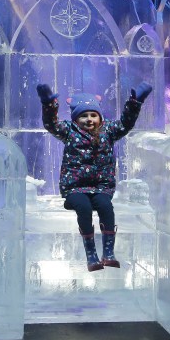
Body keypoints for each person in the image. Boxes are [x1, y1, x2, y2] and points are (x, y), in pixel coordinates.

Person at [36, 81, 152, 271]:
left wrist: (135, 102)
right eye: (83, 116)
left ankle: (108, 253)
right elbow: (52, 125)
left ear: (99, 116)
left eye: (93, 115)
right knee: (84, 208)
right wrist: (48, 104)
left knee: (106, 207)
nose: (89, 119)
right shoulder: (69, 131)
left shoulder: (108, 131)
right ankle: (91, 255)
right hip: (75, 187)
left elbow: (126, 123)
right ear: (75, 119)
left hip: (101, 187)